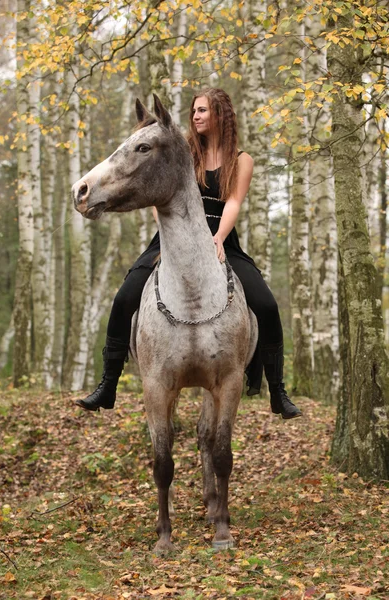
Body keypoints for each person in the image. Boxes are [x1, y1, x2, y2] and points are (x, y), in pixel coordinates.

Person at [76, 87, 301, 420]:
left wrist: (219, 238)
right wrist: (169, 235)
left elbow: (234, 202)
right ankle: (108, 385)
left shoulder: (242, 160)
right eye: (194, 111)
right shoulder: (182, 152)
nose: (195, 116)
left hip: (220, 237)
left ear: (221, 115)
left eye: (203, 111)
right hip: (171, 240)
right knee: (124, 298)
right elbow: (157, 189)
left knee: (266, 304)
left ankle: (278, 391)